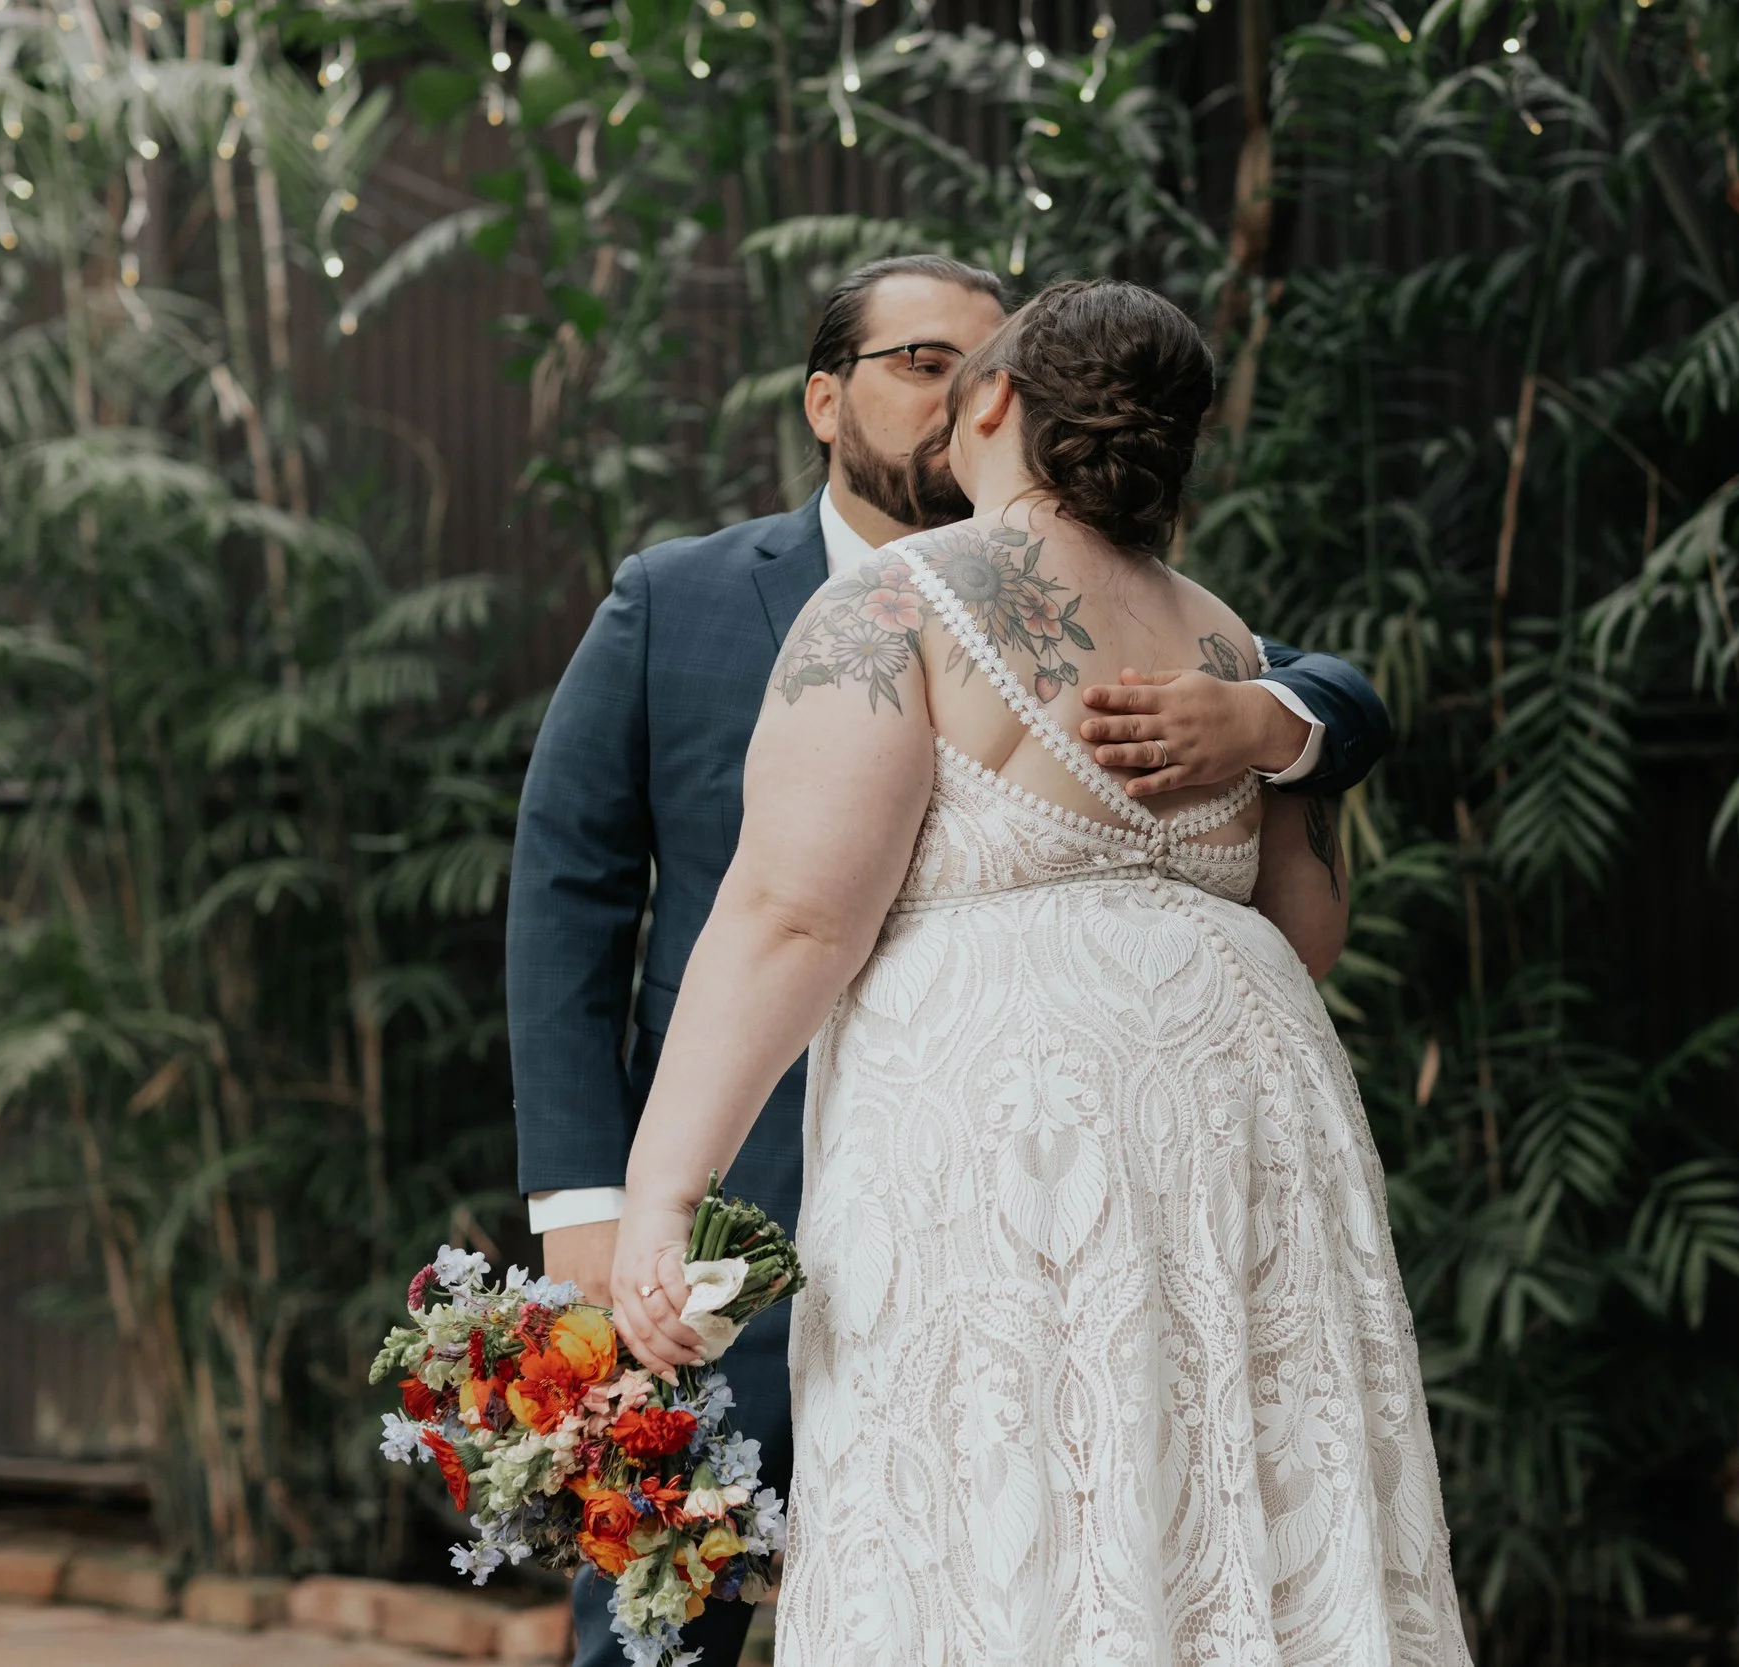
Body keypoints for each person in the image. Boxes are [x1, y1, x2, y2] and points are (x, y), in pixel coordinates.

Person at [507, 256, 1396, 1667]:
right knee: (1188, 1538)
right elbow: (1297, 927)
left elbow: (793, 917)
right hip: (1234, 1155)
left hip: (990, 1178)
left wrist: (674, 1185)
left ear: (997, 404)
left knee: (997, 1542)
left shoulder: (915, 610)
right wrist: (598, 1195)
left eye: (957, 371)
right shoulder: (1214, 630)